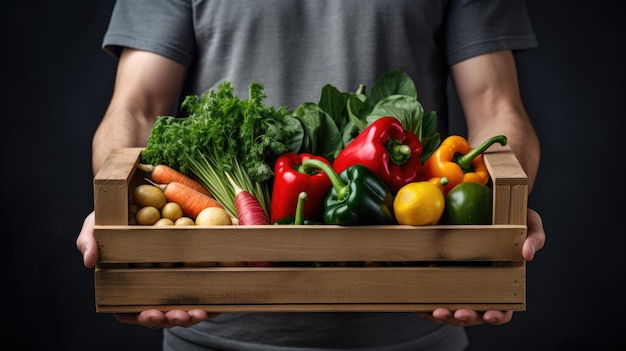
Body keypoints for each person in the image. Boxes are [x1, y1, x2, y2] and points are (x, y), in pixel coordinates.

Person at [77, 1, 546, 350]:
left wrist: (507, 203)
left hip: (416, 321)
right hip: (208, 321)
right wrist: (118, 211)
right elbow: (136, 106)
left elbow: (496, 105)